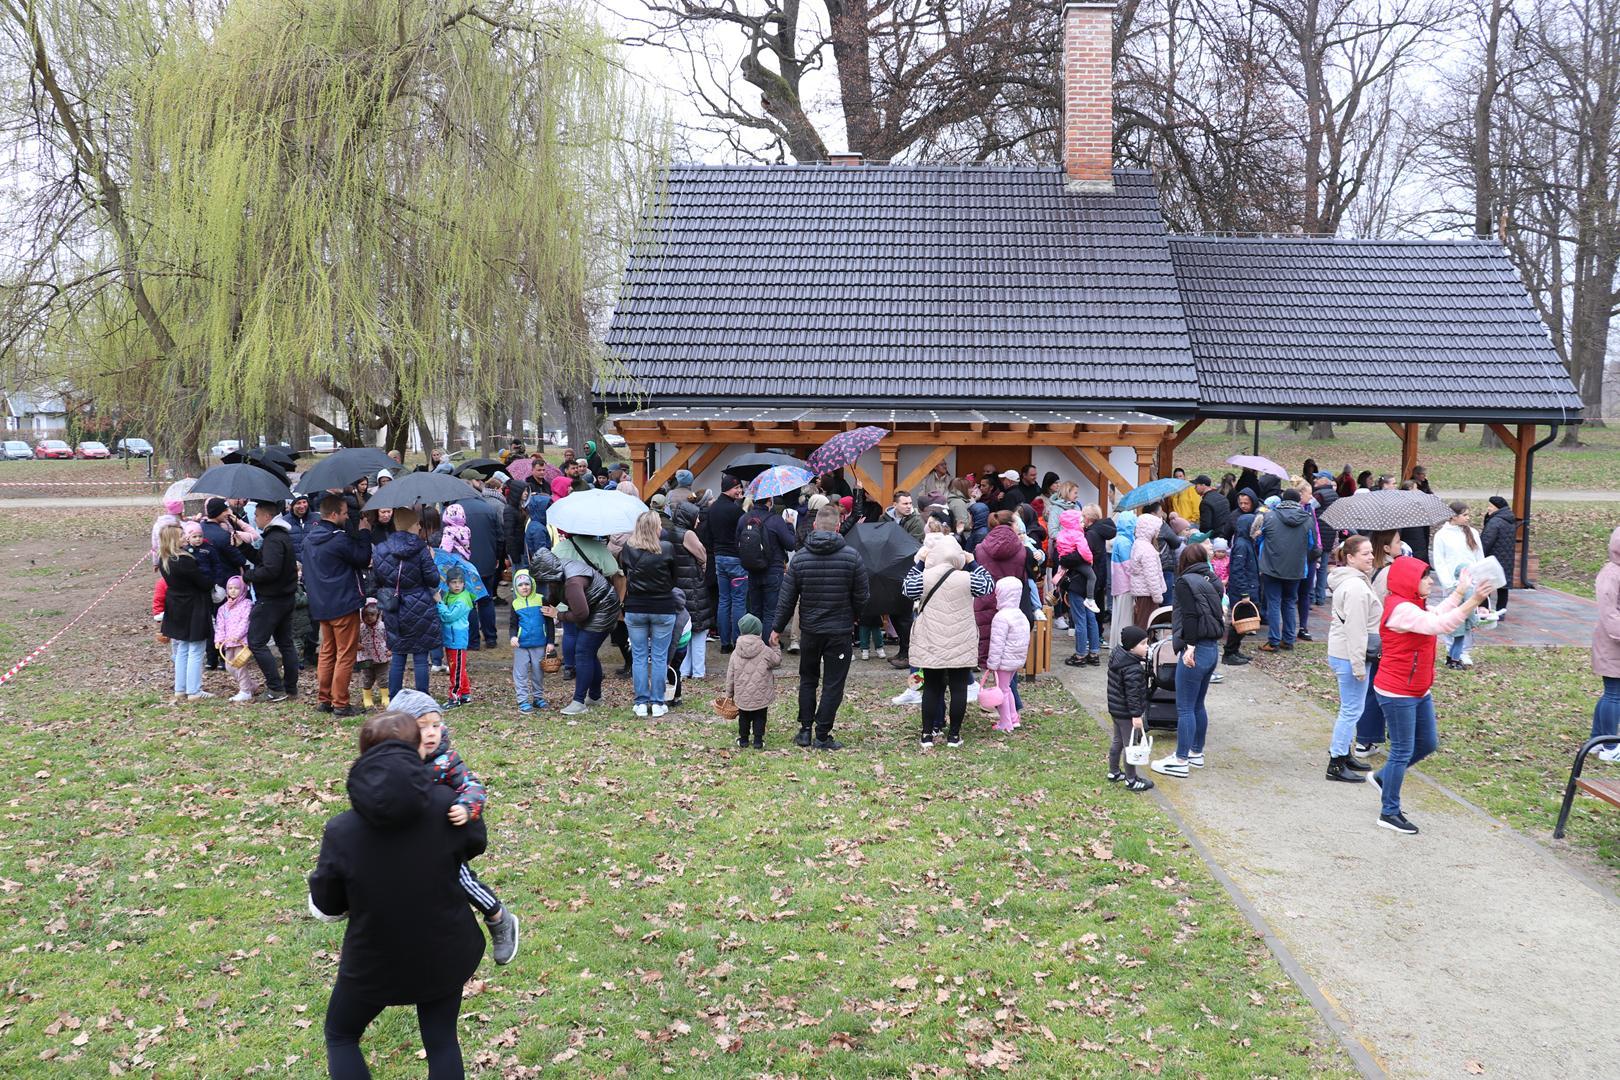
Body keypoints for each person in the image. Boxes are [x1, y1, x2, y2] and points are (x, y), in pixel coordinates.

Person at [308, 712, 488, 1079]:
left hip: (376, 958)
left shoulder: (343, 830)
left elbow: (328, 905)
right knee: (442, 1040)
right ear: (417, 748)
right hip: (444, 948)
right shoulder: (446, 806)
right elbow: (474, 844)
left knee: (341, 1034)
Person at [1371, 557, 1491, 833]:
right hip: (1397, 690)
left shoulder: (1413, 604)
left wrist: (1461, 592)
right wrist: (1473, 601)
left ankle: (1384, 778)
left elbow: (1436, 615)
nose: (1430, 581)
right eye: (1425, 577)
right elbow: (1440, 625)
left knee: (1427, 744)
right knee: (1402, 751)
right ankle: (1388, 812)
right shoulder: (1400, 609)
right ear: (1409, 581)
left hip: (1417, 687)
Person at [770, 504, 869, 749]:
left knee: (808, 679)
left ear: (814, 526)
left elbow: (787, 597)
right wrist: (855, 616)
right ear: (838, 527)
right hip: (839, 629)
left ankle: (805, 730)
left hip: (811, 630)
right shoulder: (852, 556)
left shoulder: (801, 558)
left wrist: (776, 627)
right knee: (833, 683)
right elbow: (862, 596)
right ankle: (822, 734)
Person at [905, 534, 995, 748]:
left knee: (932, 688)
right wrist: (973, 563)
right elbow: (988, 586)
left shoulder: (926, 576)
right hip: (961, 640)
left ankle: (927, 735)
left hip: (931, 639)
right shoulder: (967, 578)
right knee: (959, 689)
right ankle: (954, 735)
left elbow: (907, 588)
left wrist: (920, 563)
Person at [1152, 543, 1224, 779]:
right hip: (1212, 649)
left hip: (1196, 649)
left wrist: (1189, 647)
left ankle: (1180, 760)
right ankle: (1196, 752)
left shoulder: (1185, 582)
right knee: (1197, 705)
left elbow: (1191, 616)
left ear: (1184, 561)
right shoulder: (1213, 580)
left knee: (1184, 707)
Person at [304, 494, 373, 716]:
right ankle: (341, 703)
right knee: (345, 654)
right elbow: (362, 558)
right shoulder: (338, 539)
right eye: (344, 513)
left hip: (321, 605)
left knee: (327, 652)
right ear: (333, 514)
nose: (346, 516)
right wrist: (364, 532)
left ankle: (325, 699)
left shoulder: (309, 540)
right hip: (343, 603)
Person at [370, 507, 442, 698]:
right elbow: (433, 580)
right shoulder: (421, 549)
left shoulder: (381, 549)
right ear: (411, 524)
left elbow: (376, 579)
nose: (420, 527)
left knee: (398, 656)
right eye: (417, 523)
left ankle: (394, 697)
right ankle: (423, 697)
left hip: (394, 606)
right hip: (420, 605)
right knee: (420, 657)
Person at [1325, 536, 1379, 782]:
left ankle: (1343, 754)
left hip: (1346, 652)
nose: (1370, 557)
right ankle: (1336, 763)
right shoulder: (1355, 587)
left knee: (1351, 708)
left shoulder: (1353, 581)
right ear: (1350, 557)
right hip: (1349, 654)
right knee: (1351, 710)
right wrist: (1358, 665)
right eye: (1365, 554)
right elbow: (1355, 630)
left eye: (1371, 553)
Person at [619, 511, 680, 717]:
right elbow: (674, 579)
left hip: (635, 606)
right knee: (660, 657)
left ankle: (641, 702)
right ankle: (657, 701)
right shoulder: (667, 548)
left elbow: (625, 572)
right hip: (662, 607)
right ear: (656, 528)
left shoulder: (628, 548)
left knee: (639, 657)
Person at [242, 500, 301, 701]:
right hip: (285, 598)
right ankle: (290, 687)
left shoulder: (275, 538)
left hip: (272, 599)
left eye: (257, 515)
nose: (255, 518)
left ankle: (276, 688)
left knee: (256, 642)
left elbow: (270, 570)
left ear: (267, 516)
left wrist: (248, 576)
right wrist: (243, 546)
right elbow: (263, 558)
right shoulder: (277, 537)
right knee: (285, 643)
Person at [556, 537, 622, 715]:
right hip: (590, 604)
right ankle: (594, 695)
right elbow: (614, 571)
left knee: (582, 650)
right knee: (587, 651)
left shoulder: (560, 547)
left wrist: (557, 613)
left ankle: (579, 697)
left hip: (589, 608)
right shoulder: (598, 548)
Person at [1352, 530, 1404, 756]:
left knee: (1372, 687)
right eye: (1397, 541)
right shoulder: (1390, 571)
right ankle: (1367, 738)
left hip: (1368, 635)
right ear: (1386, 547)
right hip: (1384, 637)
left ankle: (1367, 737)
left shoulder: (1368, 569)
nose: (1401, 545)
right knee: (1380, 688)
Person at [157, 525, 214, 702]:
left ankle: (180, 688)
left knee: (182, 647)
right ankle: (194, 690)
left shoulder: (164, 559)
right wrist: (211, 580)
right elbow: (203, 583)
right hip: (193, 606)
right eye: (181, 535)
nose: (185, 537)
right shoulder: (184, 560)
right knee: (196, 649)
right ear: (174, 539)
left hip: (176, 605)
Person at [1256, 490, 1316, 653]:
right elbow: (1311, 545)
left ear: (1283, 500)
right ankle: (1288, 639)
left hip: (1271, 566)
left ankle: (1273, 641)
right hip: (1296, 568)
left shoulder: (1270, 517)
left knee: (1274, 603)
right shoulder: (1307, 519)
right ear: (1299, 501)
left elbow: (1260, 539)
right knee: (1289, 602)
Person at [1431, 501, 1485, 669]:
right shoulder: (1442, 535)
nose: (1468, 518)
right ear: (1453, 516)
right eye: (1465, 515)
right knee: (1452, 618)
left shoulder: (1473, 533)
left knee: (1468, 617)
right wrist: (1448, 582)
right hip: (1452, 584)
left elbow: (1479, 556)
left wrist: (1480, 577)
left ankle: (1464, 651)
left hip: (1471, 582)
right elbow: (1439, 560)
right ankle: (1451, 650)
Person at [974, 512, 1027, 674]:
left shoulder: (980, 548)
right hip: (1010, 599)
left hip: (985, 596)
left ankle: (982, 664)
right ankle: (1006, 676)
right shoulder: (1022, 550)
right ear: (1011, 524)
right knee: (1007, 636)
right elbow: (1022, 578)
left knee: (985, 633)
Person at [450, 496, 503, 651]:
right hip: (487, 561)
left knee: (469, 602)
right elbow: (500, 536)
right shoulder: (488, 508)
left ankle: (473, 641)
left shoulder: (453, 510)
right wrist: (497, 556)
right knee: (486, 600)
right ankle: (491, 638)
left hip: (464, 564)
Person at [1107, 626, 1155, 792]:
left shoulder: (1118, 657)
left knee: (1118, 741)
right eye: (1143, 643)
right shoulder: (1133, 669)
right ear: (1132, 647)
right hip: (1127, 713)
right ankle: (1131, 779)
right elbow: (1133, 695)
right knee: (1131, 746)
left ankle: (1113, 772)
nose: (1147, 646)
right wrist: (1136, 715)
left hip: (1116, 710)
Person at [704, 474, 748, 653]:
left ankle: (724, 642)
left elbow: (707, 535)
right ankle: (737, 640)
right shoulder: (735, 511)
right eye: (736, 488)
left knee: (723, 600)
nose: (739, 491)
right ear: (728, 488)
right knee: (738, 601)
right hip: (736, 559)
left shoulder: (713, 508)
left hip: (719, 558)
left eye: (740, 488)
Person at [725, 613, 781, 748]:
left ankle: (743, 740)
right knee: (760, 717)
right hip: (761, 695)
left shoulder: (735, 652)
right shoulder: (765, 651)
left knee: (743, 717)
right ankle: (758, 741)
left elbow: (730, 675)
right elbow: (777, 661)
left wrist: (729, 693)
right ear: (759, 632)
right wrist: (775, 647)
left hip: (742, 695)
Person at [1055, 509, 1099, 668]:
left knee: (1080, 620)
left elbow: (1064, 558)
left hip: (1076, 583)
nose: (1083, 524)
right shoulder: (1085, 535)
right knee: (1090, 618)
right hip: (1088, 582)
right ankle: (1094, 653)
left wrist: (1064, 560)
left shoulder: (1066, 537)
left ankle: (1080, 655)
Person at [986, 577, 1031, 733]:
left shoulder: (1001, 617)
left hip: (1004, 661)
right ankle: (1013, 717)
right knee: (1008, 689)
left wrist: (992, 664)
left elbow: (997, 644)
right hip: (1016, 660)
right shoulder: (1020, 615)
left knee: (1003, 690)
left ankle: (1005, 723)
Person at [508, 566, 555, 713]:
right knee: (520, 673)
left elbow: (549, 622)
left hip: (540, 644)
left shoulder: (541, 600)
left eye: (527, 584)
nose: (524, 587)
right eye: (520, 585)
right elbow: (513, 624)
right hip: (521, 645)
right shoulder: (515, 604)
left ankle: (538, 698)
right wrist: (513, 637)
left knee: (538, 672)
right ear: (516, 587)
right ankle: (522, 700)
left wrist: (551, 641)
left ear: (532, 584)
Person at [1592, 527, 1620, 762]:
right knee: (1614, 694)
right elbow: (1609, 612)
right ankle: (1610, 747)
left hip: (1613, 642)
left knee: (1612, 693)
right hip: (1613, 644)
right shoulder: (1611, 574)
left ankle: (1596, 741)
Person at [210, 574, 259, 702]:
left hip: (241, 642)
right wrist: (218, 640)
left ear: (242, 589)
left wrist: (236, 636)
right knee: (229, 666)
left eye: (236, 588)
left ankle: (245, 691)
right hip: (227, 643)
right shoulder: (223, 608)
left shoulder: (246, 604)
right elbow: (220, 626)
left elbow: (245, 622)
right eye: (230, 588)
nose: (232, 590)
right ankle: (251, 686)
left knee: (240, 666)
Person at [437, 570, 474, 706]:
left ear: (464, 583)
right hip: (450, 638)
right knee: (458, 668)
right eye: (453, 582)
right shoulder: (449, 595)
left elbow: (449, 616)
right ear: (448, 584)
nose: (457, 585)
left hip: (457, 639)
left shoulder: (463, 599)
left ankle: (455, 697)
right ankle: (465, 694)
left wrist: (439, 603)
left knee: (456, 670)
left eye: (460, 582)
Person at [1127, 510, 1167, 629]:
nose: (1158, 532)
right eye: (1157, 529)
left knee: (1140, 621)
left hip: (1141, 592)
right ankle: (1143, 646)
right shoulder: (1148, 550)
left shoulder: (1138, 544)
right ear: (1150, 530)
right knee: (1147, 625)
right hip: (1148, 594)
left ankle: (1139, 645)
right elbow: (1152, 576)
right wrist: (1157, 596)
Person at [1478, 496, 1518, 612]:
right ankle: (1501, 611)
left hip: (1492, 558)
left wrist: (1479, 556)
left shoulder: (1495, 522)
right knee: (1503, 586)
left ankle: (1485, 609)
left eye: (1490, 506)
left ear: (1497, 508)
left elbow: (1486, 541)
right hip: (1506, 558)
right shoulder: (1509, 519)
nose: (1488, 508)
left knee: (1487, 585)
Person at [1107, 511, 1137, 649]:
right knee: (1125, 618)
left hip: (1118, 584)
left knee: (1118, 618)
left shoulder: (1119, 539)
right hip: (1125, 585)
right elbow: (1128, 567)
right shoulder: (1125, 542)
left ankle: (1116, 646)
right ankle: (1122, 647)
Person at [355, 598, 391, 709]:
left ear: (378, 614)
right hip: (366, 657)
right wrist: (357, 644)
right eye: (366, 615)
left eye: (372, 615)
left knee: (384, 677)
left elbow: (389, 639)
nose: (369, 618)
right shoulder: (360, 628)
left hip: (382, 656)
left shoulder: (383, 626)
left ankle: (385, 696)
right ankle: (367, 697)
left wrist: (390, 649)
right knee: (367, 677)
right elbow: (354, 639)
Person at [1194, 476, 1231, 541]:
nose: (1195, 488)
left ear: (1203, 485)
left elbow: (1205, 526)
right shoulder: (1223, 498)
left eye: (1196, 486)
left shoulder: (1205, 502)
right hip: (1226, 534)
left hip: (1214, 537)